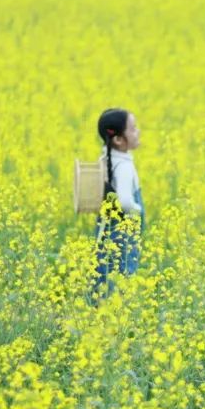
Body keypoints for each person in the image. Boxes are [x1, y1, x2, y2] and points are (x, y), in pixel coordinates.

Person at [92, 108, 144, 301]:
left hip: (108, 226)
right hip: (124, 230)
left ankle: (100, 308)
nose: (138, 132)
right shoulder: (124, 167)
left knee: (105, 268)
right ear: (119, 140)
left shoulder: (106, 160)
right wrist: (136, 209)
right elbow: (124, 201)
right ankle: (116, 315)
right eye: (133, 128)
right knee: (123, 270)